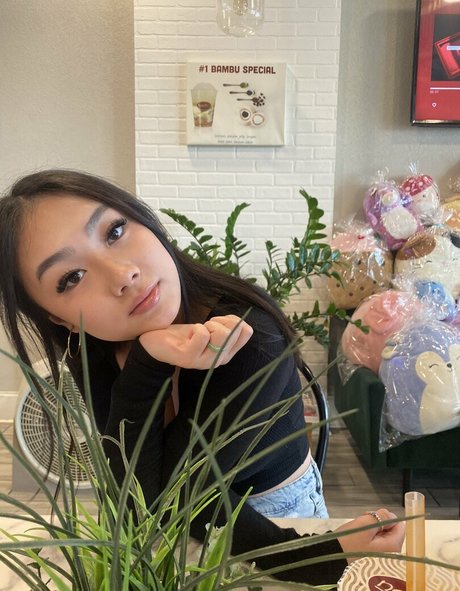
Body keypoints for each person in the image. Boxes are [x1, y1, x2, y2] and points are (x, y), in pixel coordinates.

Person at [0, 169, 405, 586]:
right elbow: (138, 501)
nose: (122, 275)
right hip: (174, 524)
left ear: (144, 220)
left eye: (115, 231)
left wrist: (322, 557)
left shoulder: (250, 335)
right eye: (71, 278)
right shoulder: (91, 349)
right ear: (60, 319)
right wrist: (148, 360)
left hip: (277, 524)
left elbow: (179, 497)